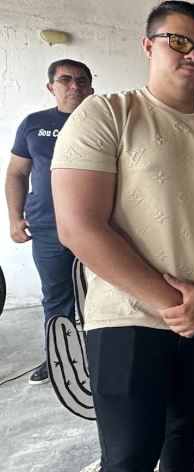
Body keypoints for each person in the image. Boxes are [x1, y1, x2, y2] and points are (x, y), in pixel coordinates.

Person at [51, 2, 194, 470]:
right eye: (179, 41)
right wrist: (179, 304)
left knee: (184, 432)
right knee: (129, 455)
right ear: (148, 45)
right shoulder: (106, 114)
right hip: (127, 317)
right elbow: (79, 226)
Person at [5, 59, 94, 385]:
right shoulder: (34, 124)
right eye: (65, 79)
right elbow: (16, 173)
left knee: (100, 296)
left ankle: (100, 355)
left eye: (81, 81)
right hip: (47, 228)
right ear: (51, 87)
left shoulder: (105, 120)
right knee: (56, 297)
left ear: (91, 88)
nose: (74, 86)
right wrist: (15, 218)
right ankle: (58, 357)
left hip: (99, 228)